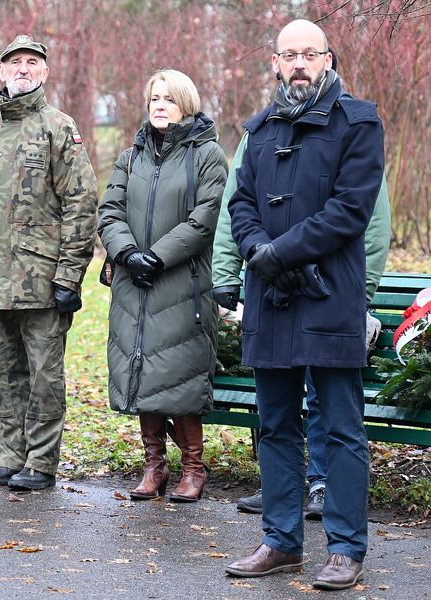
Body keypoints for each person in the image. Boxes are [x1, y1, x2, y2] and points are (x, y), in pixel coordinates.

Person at [224, 20, 384, 590]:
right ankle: (281, 541)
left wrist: (280, 253)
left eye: (309, 54)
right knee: (274, 425)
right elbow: (241, 202)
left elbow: (350, 210)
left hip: (330, 294)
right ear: (275, 62)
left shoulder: (358, 123)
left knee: (341, 428)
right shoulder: (261, 129)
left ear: (327, 59)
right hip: (271, 298)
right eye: (288, 55)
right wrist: (256, 252)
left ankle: (344, 548)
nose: (298, 64)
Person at [0, 35, 98, 490]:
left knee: (44, 377)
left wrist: (70, 275)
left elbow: (81, 203)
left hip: (43, 278)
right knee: (2, 374)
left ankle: (40, 462)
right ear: (1, 71)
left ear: (44, 72)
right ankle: (9, 457)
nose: (23, 68)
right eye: (14, 62)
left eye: (32, 62)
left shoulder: (58, 127)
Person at [98, 70, 227, 503]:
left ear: (185, 104)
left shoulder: (207, 154)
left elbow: (206, 218)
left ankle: (194, 468)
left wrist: (157, 256)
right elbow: (109, 211)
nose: (159, 105)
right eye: (154, 98)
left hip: (181, 284)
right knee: (142, 371)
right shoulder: (130, 156)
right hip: (134, 284)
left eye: (168, 99)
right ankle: (154, 465)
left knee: (179, 374)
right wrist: (128, 254)